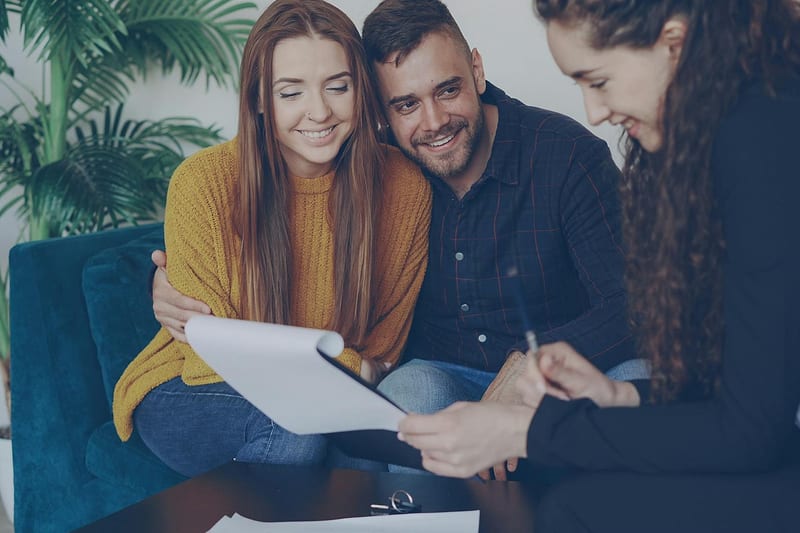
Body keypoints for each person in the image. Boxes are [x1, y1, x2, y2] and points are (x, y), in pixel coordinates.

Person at [149, 0, 645, 479]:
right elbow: (241, 263)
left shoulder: (564, 156)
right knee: (397, 400)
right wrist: (157, 281)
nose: (433, 122)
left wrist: (531, 374)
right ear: (382, 111)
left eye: (447, 90)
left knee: (636, 379)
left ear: (476, 70)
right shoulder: (380, 167)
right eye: (406, 104)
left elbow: (633, 303)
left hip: (553, 372)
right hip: (438, 376)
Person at [398, 0, 800, 530]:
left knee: (576, 509)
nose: (594, 111)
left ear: (673, 45)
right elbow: (743, 387)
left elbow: (754, 428)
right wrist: (618, 396)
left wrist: (525, 431)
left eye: (600, 81)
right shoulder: (719, 136)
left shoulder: (760, 142)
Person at [112, 0, 431, 478]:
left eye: (337, 87)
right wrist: (347, 364)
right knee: (294, 436)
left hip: (330, 393)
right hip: (190, 387)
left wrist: (353, 372)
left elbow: (384, 352)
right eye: (291, 92)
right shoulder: (203, 182)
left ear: (360, 89)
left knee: (368, 451)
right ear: (260, 98)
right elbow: (207, 354)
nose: (319, 111)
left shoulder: (404, 188)